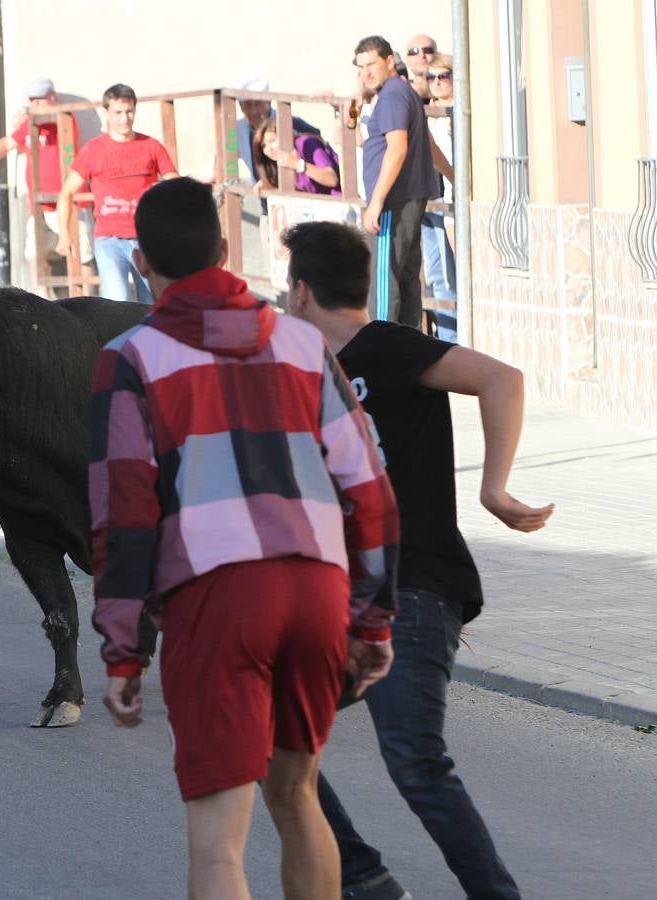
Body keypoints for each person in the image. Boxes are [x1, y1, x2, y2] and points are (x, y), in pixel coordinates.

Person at [88, 178, 400, 898]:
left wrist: (124, 651)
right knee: (297, 794)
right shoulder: (300, 342)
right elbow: (367, 486)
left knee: (217, 840)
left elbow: (124, 514)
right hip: (317, 586)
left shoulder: (130, 358)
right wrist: (372, 616)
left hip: (218, 593)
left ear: (139, 260)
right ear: (226, 249)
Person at [284, 221, 552, 900]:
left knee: (414, 760)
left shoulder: (388, 348)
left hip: (416, 588)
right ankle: (363, 877)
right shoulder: (304, 374)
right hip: (344, 598)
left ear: (299, 292)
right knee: (272, 734)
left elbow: (501, 378)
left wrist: (494, 487)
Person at [56, 84, 176, 304]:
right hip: (109, 240)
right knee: (116, 303)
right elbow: (66, 193)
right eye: (118, 112)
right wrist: (64, 234)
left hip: (147, 239)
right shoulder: (93, 150)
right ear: (107, 113)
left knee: (151, 303)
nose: (125, 118)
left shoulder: (151, 146)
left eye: (129, 111)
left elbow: (174, 185)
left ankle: (149, 339)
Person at [354, 35, 442, 330]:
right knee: (405, 279)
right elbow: (423, 142)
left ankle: (382, 351)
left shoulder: (392, 95)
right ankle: (407, 351)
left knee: (383, 281)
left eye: (371, 64)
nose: (366, 72)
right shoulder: (401, 92)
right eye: (360, 67)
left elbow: (398, 147)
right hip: (406, 198)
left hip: (393, 200)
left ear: (389, 60)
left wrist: (376, 201)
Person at [0, 77, 94, 271]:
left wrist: (28, 112)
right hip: (41, 204)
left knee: (81, 254)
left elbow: (54, 116)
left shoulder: (64, 117)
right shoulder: (30, 122)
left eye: (41, 98)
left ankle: (88, 298)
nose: (36, 103)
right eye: (32, 99)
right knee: (34, 255)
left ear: (52, 97)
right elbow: (7, 144)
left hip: (72, 202)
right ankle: (39, 298)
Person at [425, 52, 459, 341]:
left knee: (456, 273)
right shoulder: (425, 112)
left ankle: (457, 342)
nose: (436, 82)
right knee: (438, 278)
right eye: (430, 77)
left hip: (453, 199)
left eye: (442, 76)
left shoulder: (460, 111)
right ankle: (448, 342)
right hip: (432, 199)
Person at [234, 77, 321, 186]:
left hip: (297, 193)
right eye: (248, 105)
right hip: (263, 195)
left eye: (258, 103)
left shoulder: (291, 123)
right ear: (241, 108)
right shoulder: (236, 130)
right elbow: (225, 156)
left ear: (269, 101)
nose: (254, 110)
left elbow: (318, 144)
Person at [252, 117, 341, 195]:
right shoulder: (276, 162)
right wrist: (268, 184)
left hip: (337, 205)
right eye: (263, 146)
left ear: (286, 136)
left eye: (272, 140)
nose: (269, 149)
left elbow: (332, 179)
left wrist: (298, 164)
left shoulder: (306, 143)